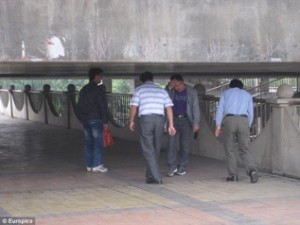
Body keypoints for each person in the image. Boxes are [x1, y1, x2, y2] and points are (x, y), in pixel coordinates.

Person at [129, 71, 176, 184]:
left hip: (146, 120)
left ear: (141, 80)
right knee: (156, 147)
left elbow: (133, 106)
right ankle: (150, 176)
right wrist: (171, 124)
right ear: (152, 79)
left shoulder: (139, 90)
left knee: (147, 148)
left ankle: (157, 177)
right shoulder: (161, 91)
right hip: (160, 120)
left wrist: (131, 120)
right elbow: (169, 108)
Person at [215, 79, 258, 183]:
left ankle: (233, 175)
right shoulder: (247, 95)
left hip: (229, 120)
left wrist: (218, 126)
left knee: (229, 149)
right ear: (241, 86)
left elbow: (220, 109)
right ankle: (252, 171)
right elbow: (251, 112)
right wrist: (248, 124)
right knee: (244, 149)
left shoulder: (225, 93)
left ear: (230, 86)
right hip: (244, 120)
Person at [166, 74, 200, 176]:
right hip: (173, 120)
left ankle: (182, 167)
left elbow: (195, 108)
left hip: (186, 120)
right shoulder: (170, 90)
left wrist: (196, 123)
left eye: (178, 85)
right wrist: (169, 88)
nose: (176, 87)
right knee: (171, 144)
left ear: (182, 82)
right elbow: (164, 100)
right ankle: (172, 167)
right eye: (174, 85)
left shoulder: (191, 92)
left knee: (185, 145)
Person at [77, 68, 109, 173]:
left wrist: (81, 118)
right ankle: (97, 165)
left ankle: (89, 165)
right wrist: (105, 121)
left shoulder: (84, 89)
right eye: (100, 76)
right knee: (97, 142)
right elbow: (102, 105)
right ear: (95, 76)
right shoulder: (98, 89)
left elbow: (79, 105)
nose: (101, 78)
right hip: (96, 119)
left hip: (85, 119)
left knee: (88, 142)